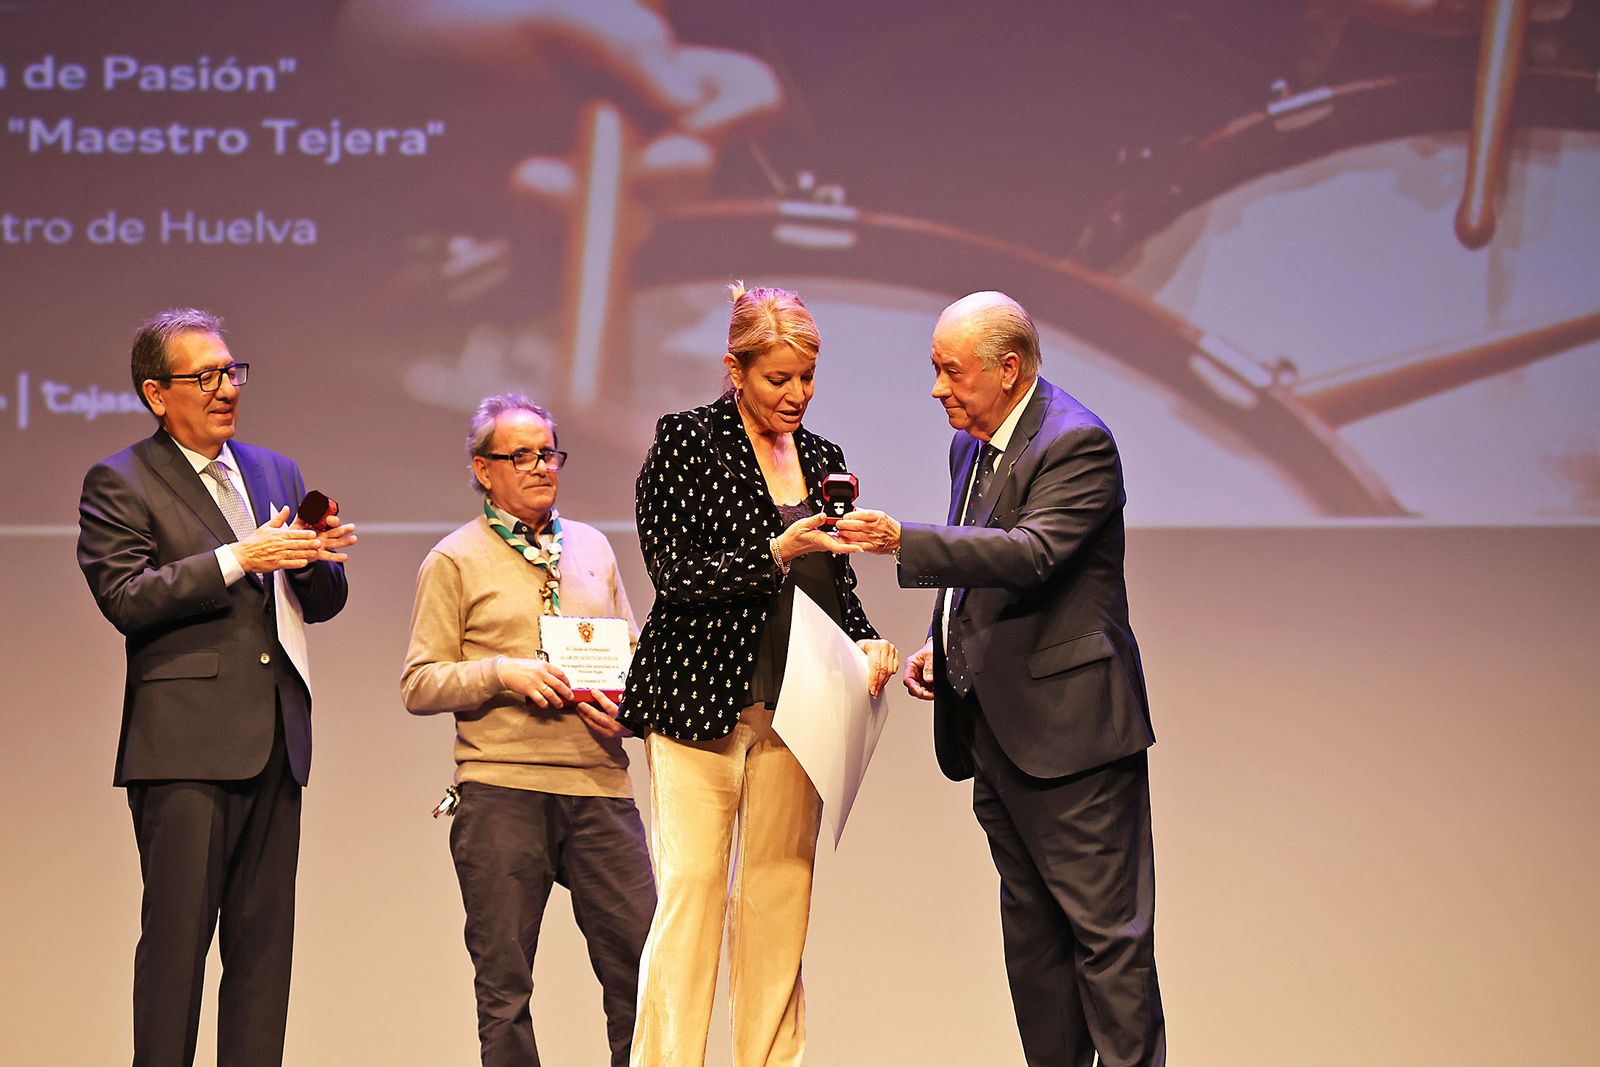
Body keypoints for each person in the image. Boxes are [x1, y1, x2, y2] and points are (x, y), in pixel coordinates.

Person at [835, 291, 1165, 1067]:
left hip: (1073, 740)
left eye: (951, 371)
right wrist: (940, 642)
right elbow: (984, 576)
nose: (937, 387)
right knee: (1035, 950)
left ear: (1008, 370)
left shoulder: (1076, 441)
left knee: (1106, 945)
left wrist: (901, 540)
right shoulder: (972, 444)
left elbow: (1032, 552)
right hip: (998, 737)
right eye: (935, 369)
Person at [619, 284, 899, 1067]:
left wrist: (869, 643)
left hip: (798, 709)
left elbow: (837, 589)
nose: (797, 395)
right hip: (697, 707)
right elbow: (673, 576)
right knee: (693, 895)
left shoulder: (823, 458)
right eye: (779, 379)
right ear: (734, 370)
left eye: (807, 378)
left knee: (779, 901)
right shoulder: (687, 440)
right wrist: (774, 551)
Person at [77, 308, 356, 1067]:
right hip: (185, 747)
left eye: (232, 371)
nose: (226, 387)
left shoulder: (276, 470)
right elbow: (127, 597)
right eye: (205, 376)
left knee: (264, 956)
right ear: (157, 393)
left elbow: (323, 601)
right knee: (175, 952)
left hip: (277, 740)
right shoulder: (121, 478)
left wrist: (308, 558)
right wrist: (241, 556)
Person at [400, 392, 656, 1066]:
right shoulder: (454, 560)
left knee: (646, 971)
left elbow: (633, 654)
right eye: (523, 455)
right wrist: (503, 672)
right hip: (502, 790)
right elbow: (419, 682)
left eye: (549, 452)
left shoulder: (594, 547)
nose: (542, 466)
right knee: (505, 989)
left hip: (600, 783)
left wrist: (630, 708)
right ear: (484, 470)